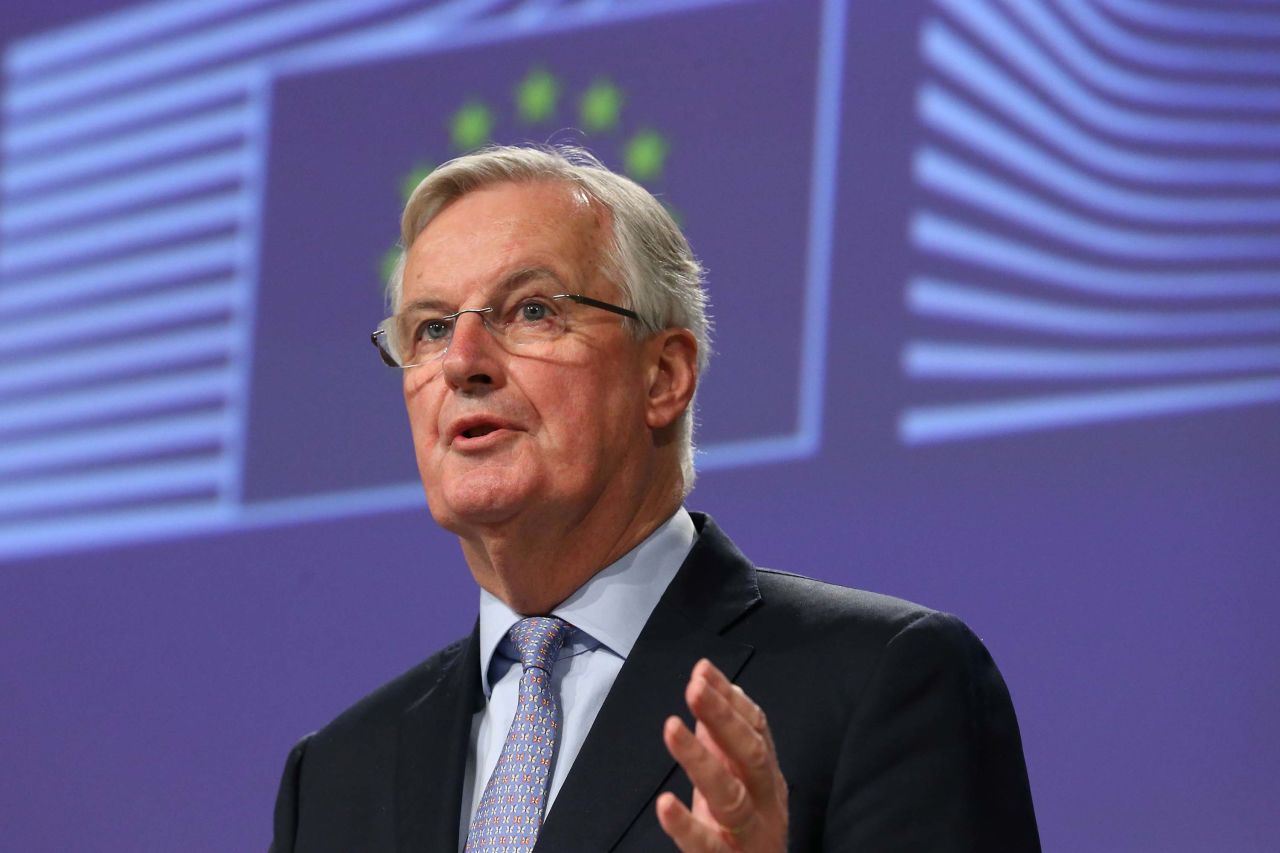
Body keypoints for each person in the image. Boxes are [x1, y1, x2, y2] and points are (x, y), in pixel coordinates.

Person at [270, 145, 1039, 852]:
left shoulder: (884, 681)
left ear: (663, 376)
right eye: (431, 328)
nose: (462, 361)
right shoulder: (335, 778)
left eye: (532, 309)